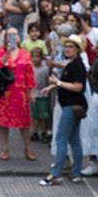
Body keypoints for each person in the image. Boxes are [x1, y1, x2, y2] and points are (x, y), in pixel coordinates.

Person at [40, 35, 89, 186]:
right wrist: (53, 86)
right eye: (66, 46)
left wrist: (58, 83)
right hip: (72, 106)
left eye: (71, 46)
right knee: (74, 140)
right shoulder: (71, 64)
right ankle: (76, 173)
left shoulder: (77, 65)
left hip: (71, 106)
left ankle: (55, 174)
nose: (67, 49)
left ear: (77, 49)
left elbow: (77, 86)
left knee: (61, 138)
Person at [0, 28, 34, 164]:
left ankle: (28, 148)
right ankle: (4, 148)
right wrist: (7, 53)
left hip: (21, 93)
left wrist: (31, 91)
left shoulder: (25, 54)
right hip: (4, 92)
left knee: (24, 123)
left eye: (15, 34)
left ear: (19, 37)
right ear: (6, 38)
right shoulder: (0, 51)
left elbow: (29, 74)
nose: (13, 37)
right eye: (10, 35)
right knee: (3, 122)